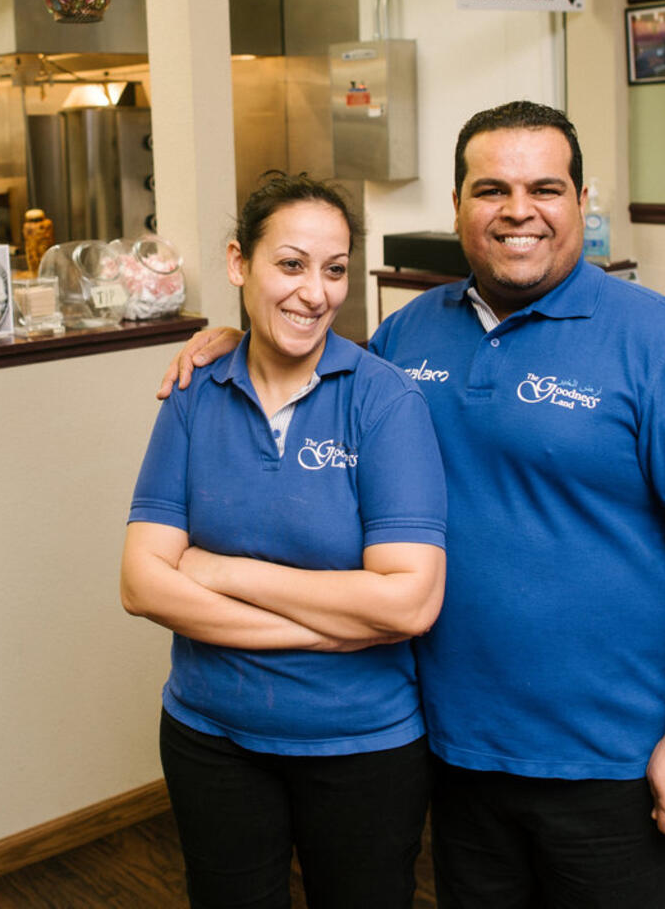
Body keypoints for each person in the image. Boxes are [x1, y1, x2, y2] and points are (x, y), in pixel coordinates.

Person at [160, 103, 665, 909]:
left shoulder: (661, 341)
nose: (519, 211)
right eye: (491, 189)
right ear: (456, 208)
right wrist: (240, 341)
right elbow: (315, 375)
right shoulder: (409, 337)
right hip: (450, 749)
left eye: (545, 188)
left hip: (605, 757)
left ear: (582, 202)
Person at [122, 173, 448, 909]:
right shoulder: (194, 392)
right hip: (212, 741)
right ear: (241, 264)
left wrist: (217, 571)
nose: (315, 292)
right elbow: (142, 582)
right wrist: (331, 628)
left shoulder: (384, 400)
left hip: (362, 747)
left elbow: (409, 602)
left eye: (334, 270)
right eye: (291, 264)